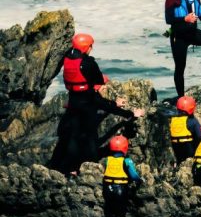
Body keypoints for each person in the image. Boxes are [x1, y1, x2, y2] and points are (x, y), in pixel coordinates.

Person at [48, 33, 145, 177]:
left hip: (73, 104)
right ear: (86, 47)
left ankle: (63, 168)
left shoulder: (68, 58)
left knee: (71, 138)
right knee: (90, 140)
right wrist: (130, 114)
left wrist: (112, 101)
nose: (91, 48)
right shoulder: (88, 63)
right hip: (87, 108)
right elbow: (100, 93)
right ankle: (88, 170)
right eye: (90, 46)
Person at [95, 135, 143, 217]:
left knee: (109, 216)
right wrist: (139, 181)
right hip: (120, 191)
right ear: (124, 148)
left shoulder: (107, 160)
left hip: (108, 190)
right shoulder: (126, 161)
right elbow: (134, 176)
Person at [168, 95, 201, 163]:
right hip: (189, 150)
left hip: (175, 149)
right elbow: (199, 136)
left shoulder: (172, 119)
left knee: (179, 161)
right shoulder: (192, 121)